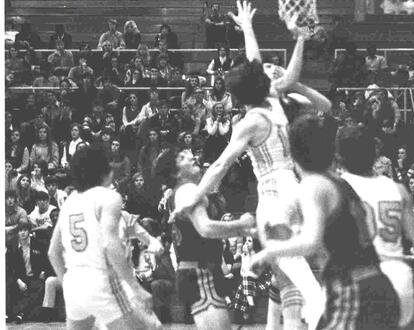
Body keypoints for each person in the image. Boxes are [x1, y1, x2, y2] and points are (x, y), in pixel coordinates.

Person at [170, 2, 330, 329]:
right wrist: (251, 28)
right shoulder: (272, 100)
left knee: (295, 269)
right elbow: (256, 65)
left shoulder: (249, 121)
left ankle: (322, 316)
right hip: (295, 187)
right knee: (285, 268)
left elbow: (220, 166)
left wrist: (192, 197)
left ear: (239, 96)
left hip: (274, 195)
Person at [251, 115, 401, 330]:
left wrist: (268, 252)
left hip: (354, 289)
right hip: (375, 285)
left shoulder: (314, 185)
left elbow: (310, 241)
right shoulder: (338, 182)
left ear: (292, 154)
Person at [336, 125, 414, 328]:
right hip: (398, 279)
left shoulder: (335, 189)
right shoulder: (397, 189)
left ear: (339, 156)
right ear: (375, 154)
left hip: (361, 279)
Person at [48, 145, 163, 329]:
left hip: (73, 282)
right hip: (101, 280)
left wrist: (68, 285)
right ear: (105, 170)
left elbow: (53, 253)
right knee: (153, 327)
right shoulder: (109, 197)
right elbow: (110, 245)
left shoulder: (70, 201)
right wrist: (135, 287)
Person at [169, 149, 256, 330]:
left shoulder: (191, 191)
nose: (192, 157)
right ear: (175, 172)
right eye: (182, 157)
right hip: (200, 272)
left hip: (202, 271)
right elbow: (206, 229)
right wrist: (241, 225)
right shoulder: (187, 190)